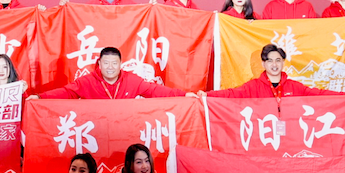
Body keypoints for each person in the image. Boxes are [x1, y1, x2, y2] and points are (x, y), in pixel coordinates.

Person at [42, 45, 182, 100]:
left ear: (120, 64)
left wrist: (183, 94)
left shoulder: (131, 80)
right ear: (99, 64)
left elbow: (154, 90)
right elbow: (67, 92)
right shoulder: (87, 81)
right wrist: (40, 97)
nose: (110, 67)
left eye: (114, 63)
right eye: (106, 63)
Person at [207, 43, 313, 98]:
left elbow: (316, 95)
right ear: (263, 64)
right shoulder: (253, 87)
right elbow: (232, 94)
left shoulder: (294, 86)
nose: (274, 64)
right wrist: (207, 95)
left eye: (278, 60)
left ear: (283, 63)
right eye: (270, 61)